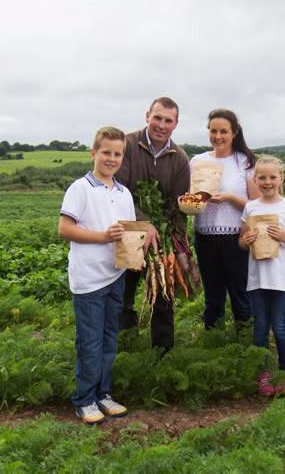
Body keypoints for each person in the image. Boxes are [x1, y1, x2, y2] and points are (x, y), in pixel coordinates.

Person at [58, 126, 135, 425]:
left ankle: (103, 394)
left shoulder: (124, 192)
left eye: (117, 154)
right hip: (89, 279)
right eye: (106, 152)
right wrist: (103, 237)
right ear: (94, 153)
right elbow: (65, 229)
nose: (111, 159)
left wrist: (133, 251)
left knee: (109, 340)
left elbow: (126, 231)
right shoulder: (81, 188)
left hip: (115, 276)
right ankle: (84, 399)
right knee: (89, 342)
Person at [117, 97, 190, 350]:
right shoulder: (127, 144)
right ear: (147, 115)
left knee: (164, 293)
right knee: (123, 294)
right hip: (128, 231)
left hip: (163, 235)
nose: (161, 124)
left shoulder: (179, 157)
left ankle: (163, 352)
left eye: (168, 120)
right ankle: (125, 348)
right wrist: (143, 223)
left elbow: (178, 203)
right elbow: (118, 192)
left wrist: (179, 246)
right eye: (157, 117)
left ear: (176, 124)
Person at [238, 155, 285, 395]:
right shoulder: (250, 207)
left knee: (280, 325)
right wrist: (246, 240)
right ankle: (264, 375)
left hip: (282, 278)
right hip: (258, 278)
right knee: (260, 326)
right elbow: (242, 243)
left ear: (281, 178)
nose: (267, 182)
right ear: (255, 179)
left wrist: (284, 238)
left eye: (272, 177)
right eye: (262, 177)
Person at [190, 108, 259, 330]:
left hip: (236, 238)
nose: (218, 136)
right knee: (213, 298)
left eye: (223, 131)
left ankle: (247, 344)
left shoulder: (245, 162)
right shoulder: (197, 161)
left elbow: (257, 206)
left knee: (240, 295)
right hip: (204, 236)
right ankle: (214, 344)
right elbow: (191, 198)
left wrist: (229, 197)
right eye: (213, 131)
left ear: (234, 132)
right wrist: (192, 201)